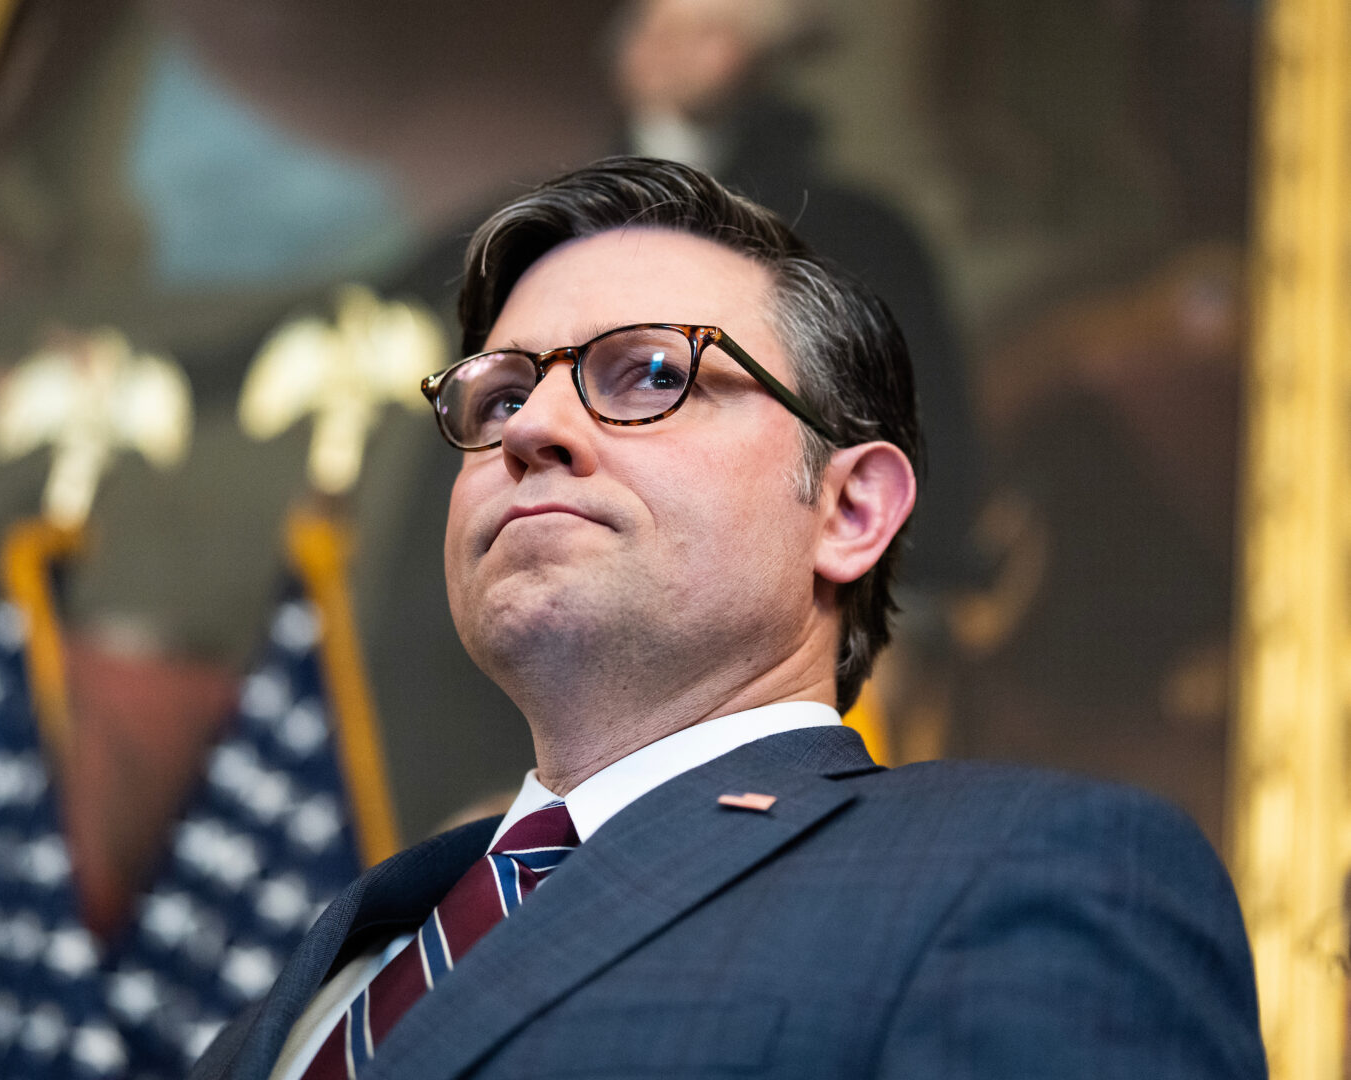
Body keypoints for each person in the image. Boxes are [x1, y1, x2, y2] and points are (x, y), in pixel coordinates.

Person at [190, 158, 1264, 1079]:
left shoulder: (1028, 868)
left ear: (848, 509)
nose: (531, 431)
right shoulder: (322, 972)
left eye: (651, 372)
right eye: (500, 397)